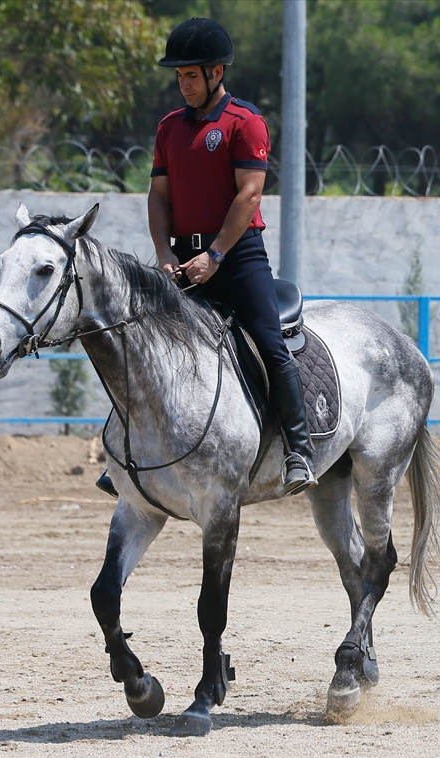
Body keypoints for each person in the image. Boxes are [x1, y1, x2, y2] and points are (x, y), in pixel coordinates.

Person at [149, 17, 315, 495]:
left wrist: (216, 256)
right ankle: (136, 448)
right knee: (144, 343)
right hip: (182, 258)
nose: (183, 84)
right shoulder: (169, 128)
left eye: (191, 75)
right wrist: (164, 253)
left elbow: (249, 196)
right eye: (178, 76)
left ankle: (299, 450)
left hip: (237, 258)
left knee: (270, 342)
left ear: (216, 73)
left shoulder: (245, 123)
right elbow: (158, 197)